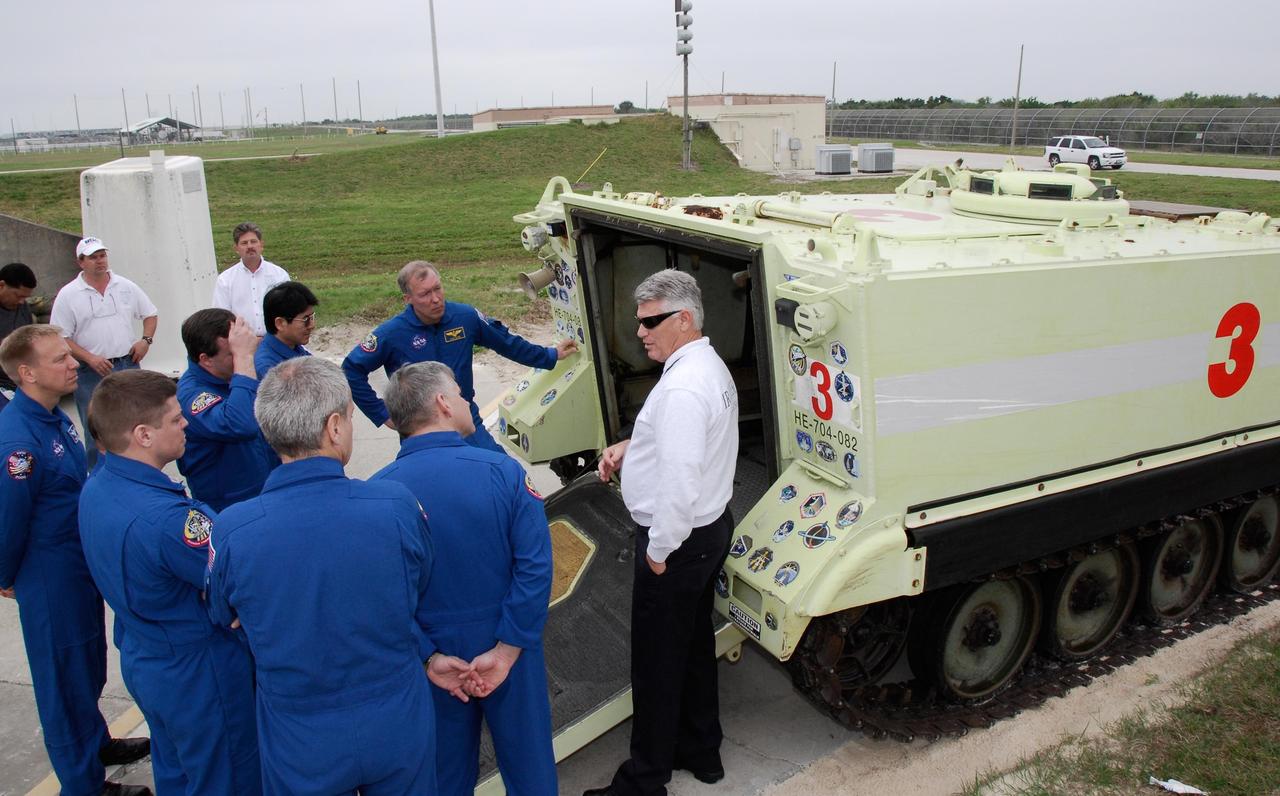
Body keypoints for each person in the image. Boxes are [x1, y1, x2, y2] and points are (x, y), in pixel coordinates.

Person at [206, 357, 479, 796]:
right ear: (334, 427)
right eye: (351, 418)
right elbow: (418, 580)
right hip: (396, 717)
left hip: (299, 733)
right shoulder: (394, 505)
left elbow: (225, 615)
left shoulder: (233, 529)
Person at [585, 270, 739, 796]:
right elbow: (684, 442)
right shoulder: (705, 366)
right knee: (693, 646)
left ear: (685, 318)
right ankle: (701, 750)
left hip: (678, 542)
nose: (641, 333)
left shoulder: (681, 388)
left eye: (651, 322)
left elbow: (679, 481)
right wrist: (635, 446)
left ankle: (643, 779)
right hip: (711, 529)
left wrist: (658, 549)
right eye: (639, 322)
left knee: (655, 664)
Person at [373, 361, 557, 795]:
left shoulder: (378, 492)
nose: (466, 400)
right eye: (458, 392)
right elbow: (535, 565)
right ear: (441, 402)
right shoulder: (503, 473)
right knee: (529, 768)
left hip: (430, 658)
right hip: (505, 640)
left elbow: (380, 593)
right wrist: (510, 649)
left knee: (443, 775)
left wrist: (426, 654)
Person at [80, 370, 261, 795]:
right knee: (228, 777)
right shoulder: (168, 520)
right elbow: (238, 578)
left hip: (147, 657)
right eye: (177, 420)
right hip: (199, 669)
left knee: (177, 771)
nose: (187, 426)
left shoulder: (99, 485)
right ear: (143, 434)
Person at [0, 325, 152, 796]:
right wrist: (6, 575)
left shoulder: (55, 418)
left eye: (70, 356)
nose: (73, 365)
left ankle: (96, 745)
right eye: (59, 359)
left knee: (87, 664)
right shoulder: (18, 442)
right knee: (63, 681)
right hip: (49, 578)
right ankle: (84, 784)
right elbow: (9, 518)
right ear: (27, 373)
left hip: (76, 565)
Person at [342, 260, 577, 452]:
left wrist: (550, 355)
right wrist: (382, 414)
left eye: (438, 288)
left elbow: (507, 343)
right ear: (408, 299)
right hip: (419, 428)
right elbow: (352, 369)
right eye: (425, 294)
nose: (435, 299)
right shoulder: (390, 334)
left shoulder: (465, 317)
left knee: (500, 472)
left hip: (464, 418)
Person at [49, 237, 159, 468]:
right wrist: (89, 357)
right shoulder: (69, 294)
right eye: (93, 257)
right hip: (90, 370)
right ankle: (97, 472)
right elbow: (61, 335)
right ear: (81, 262)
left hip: (127, 363)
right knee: (96, 426)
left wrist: (145, 340)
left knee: (138, 419)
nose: (100, 261)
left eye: (102, 256)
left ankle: (141, 467)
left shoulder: (125, 286)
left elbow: (150, 313)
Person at [176, 309, 276, 512]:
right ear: (206, 360)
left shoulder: (234, 375)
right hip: (230, 506)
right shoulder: (191, 394)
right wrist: (244, 360)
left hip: (264, 492)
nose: (247, 357)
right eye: (233, 354)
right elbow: (241, 425)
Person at [211, 222, 289, 337]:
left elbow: (289, 309)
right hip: (242, 343)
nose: (250, 246)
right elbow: (220, 318)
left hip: (275, 339)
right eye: (244, 243)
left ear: (261, 245)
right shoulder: (225, 280)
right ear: (236, 248)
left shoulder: (279, 275)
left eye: (253, 241)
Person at [254, 281, 317, 378]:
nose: (312, 325)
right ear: (280, 323)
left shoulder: (295, 348)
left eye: (312, 317)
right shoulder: (269, 369)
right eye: (306, 319)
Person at [0, 262, 37, 410]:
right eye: (18, 295)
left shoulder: (22, 308)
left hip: (20, 383)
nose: (22, 301)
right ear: (2, 285)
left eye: (25, 297)